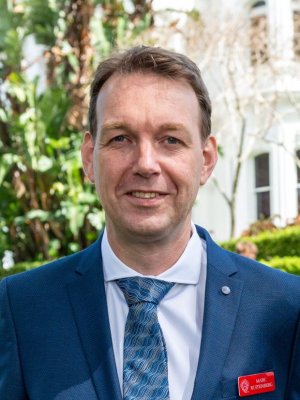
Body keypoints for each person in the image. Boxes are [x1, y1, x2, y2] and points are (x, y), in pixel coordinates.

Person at [0, 46, 299, 400]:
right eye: (120, 138)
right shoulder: (21, 309)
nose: (145, 164)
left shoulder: (285, 307)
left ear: (205, 159)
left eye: (170, 140)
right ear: (88, 158)